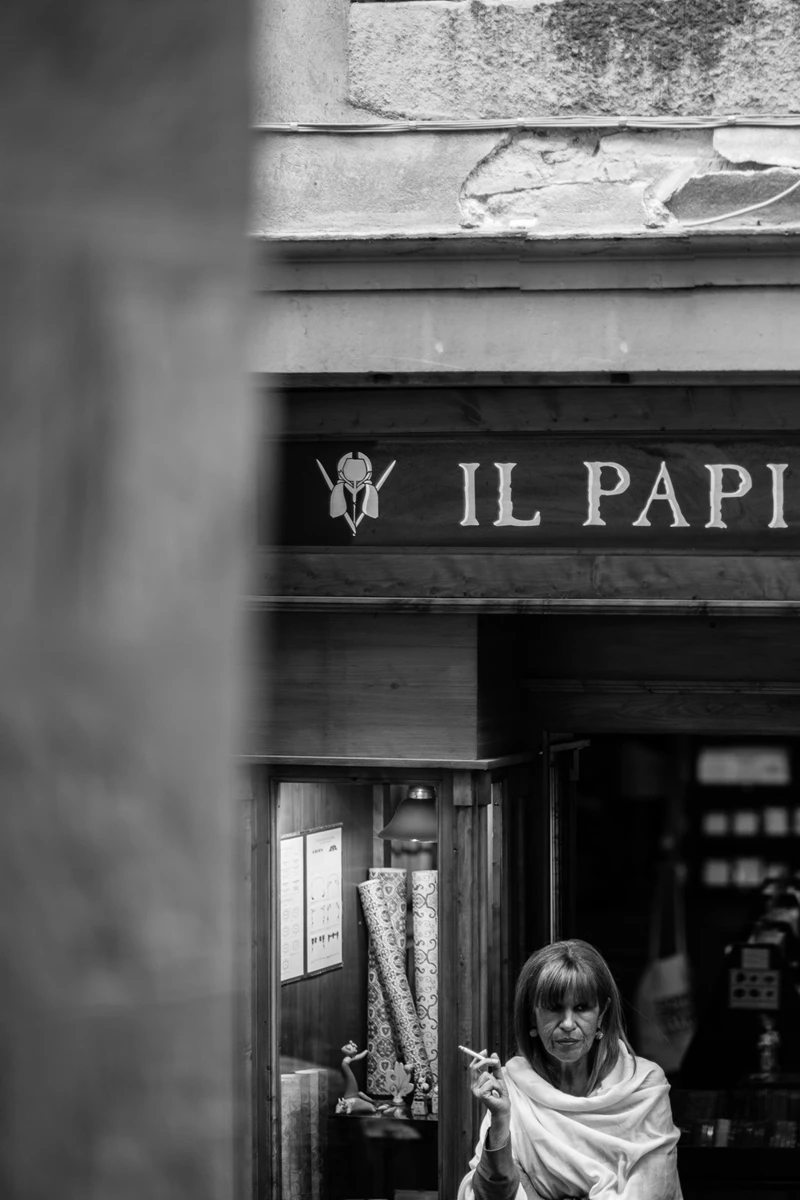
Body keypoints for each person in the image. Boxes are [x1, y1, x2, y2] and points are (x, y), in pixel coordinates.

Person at [458, 940, 683, 1200]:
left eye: (581, 1008)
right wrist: (499, 1122)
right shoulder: (510, 1089)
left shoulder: (644, 1086)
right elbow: (488, 1195)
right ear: (533, 1015)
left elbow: (653, 1191)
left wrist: (533, 1190)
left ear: (601, 1013)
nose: (567, 1023)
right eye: (554, 1008)